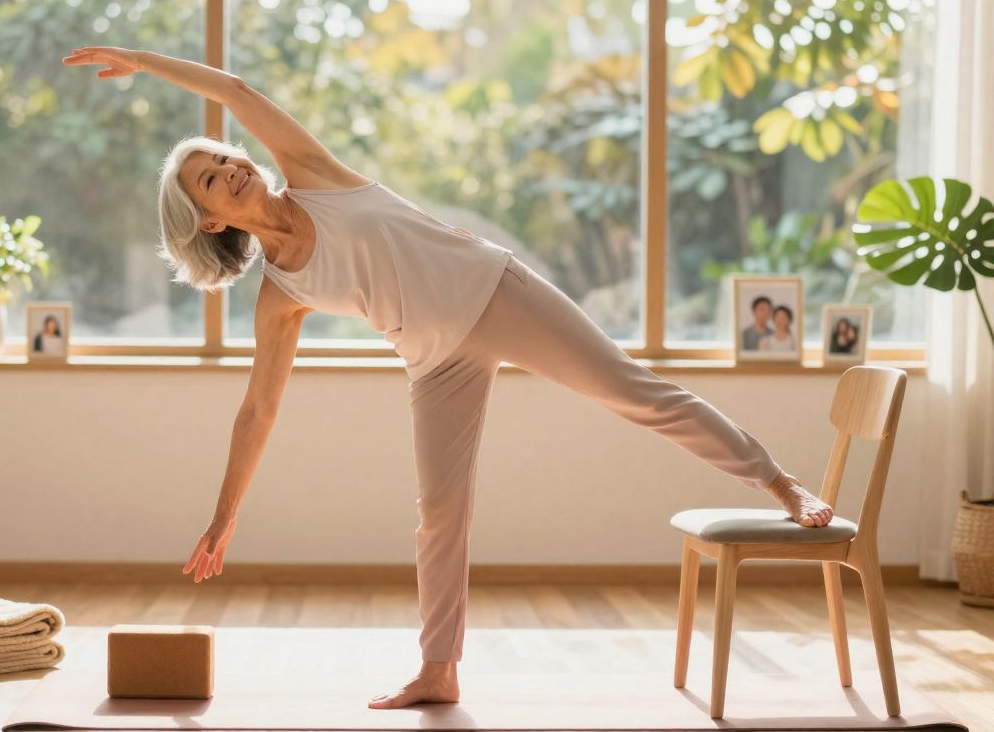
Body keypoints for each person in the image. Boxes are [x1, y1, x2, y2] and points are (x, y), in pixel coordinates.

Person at [63, 46, 836, 710]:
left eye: (223, 157)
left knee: (635, 392)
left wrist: (143, 64)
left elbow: (235, 90)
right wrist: (224, 516)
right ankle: (439, 670)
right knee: (439, 513)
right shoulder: (279, 295)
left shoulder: (313, 173)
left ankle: (779, 483)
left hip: (495, 293)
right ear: (210, 221)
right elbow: (258, 410)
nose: (229, 167)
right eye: (209, 179)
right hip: (435, 361)